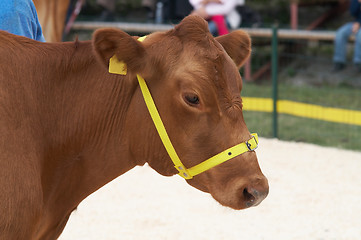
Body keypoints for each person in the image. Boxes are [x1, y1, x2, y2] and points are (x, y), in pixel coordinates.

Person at [333, 0, 361, 72]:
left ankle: (358, 62)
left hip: (358, 24)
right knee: (340, 33)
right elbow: (353, 12)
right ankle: (339, 61)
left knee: (360, 35)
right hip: (355, 24)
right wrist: (358, 3)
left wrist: (359, 23)